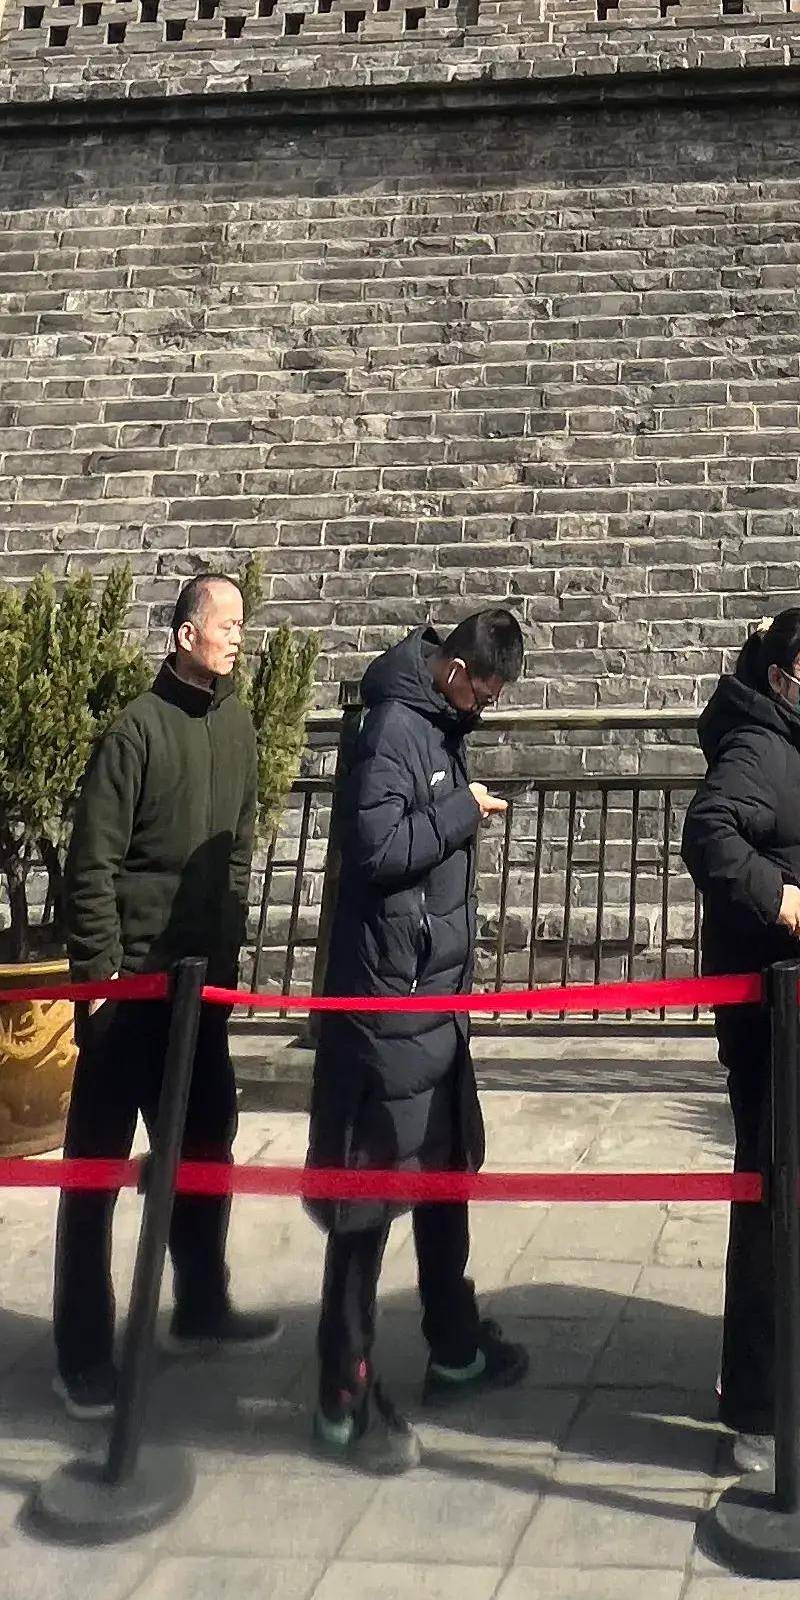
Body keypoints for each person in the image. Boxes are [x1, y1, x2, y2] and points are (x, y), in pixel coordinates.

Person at [309, 607, 534, 1475]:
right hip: (386, 1009)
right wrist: (462, 813)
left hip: (435, 999)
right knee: (366, 1200)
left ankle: (453, 1342)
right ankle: (342, 1393)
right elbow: (373, 846)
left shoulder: (436, 723)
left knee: (445, 1177)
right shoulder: (395, 728)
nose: (489, 703)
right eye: (486, 687)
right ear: (453, 670)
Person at [51, 571, 277, 1415]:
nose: (237, 637)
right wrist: (102, 982)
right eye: (226, 624)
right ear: (185, 634)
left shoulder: (239, 725)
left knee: (206, 1149)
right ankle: (80, 1349)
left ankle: (202, 1303)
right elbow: (94, 864)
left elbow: (243, 841)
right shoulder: (135, 732)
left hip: (202, 988)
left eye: (242, 626)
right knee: (96, 1171)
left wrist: (233, 932)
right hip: (131, 990)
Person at [683, 605, 800, 1489]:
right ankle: (766, 1413)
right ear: (779, 678)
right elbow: (710, 833)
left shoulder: (797, 746)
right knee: (776, 1205)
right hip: (776, 1011)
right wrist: (775, 894)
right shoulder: (760, 750)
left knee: (796, 1195)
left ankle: (778, 1365)